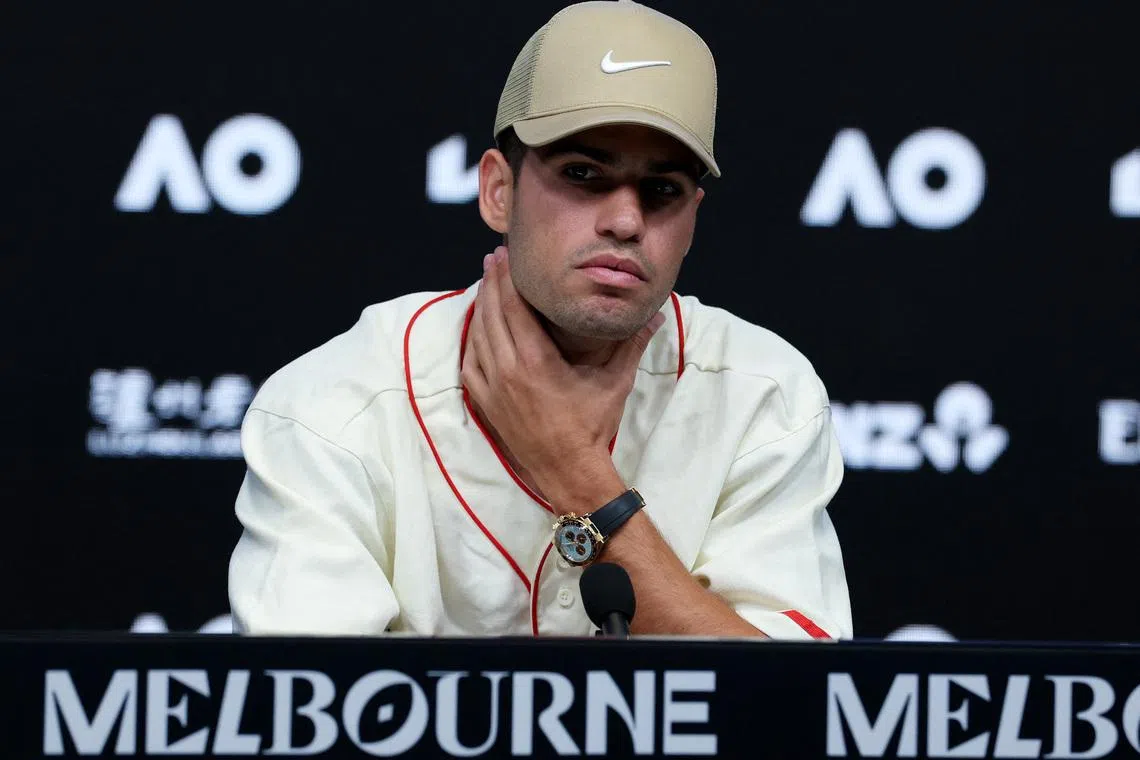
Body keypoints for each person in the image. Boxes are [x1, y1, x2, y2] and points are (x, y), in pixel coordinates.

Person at [228, 0, 852, 639]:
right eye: (583, 174)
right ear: (500, 190)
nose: (626, 221)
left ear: (693, 217)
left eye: (661, 190)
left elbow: (793, 710)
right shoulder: (334, 405)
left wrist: (572, 470)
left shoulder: (762, 393)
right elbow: (307, 715)